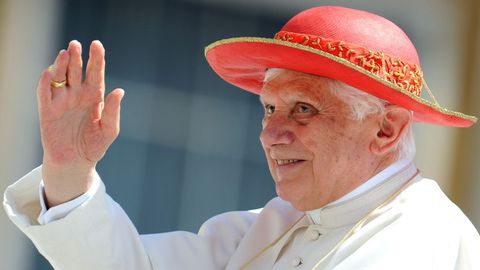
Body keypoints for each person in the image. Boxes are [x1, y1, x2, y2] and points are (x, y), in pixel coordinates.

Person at [3, 5, 480, 270]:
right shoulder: (277, 224)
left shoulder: (422, 238)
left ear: (385, 128)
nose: (271, 133)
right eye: (268, 108)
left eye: (304, 109)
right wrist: (69, 166)